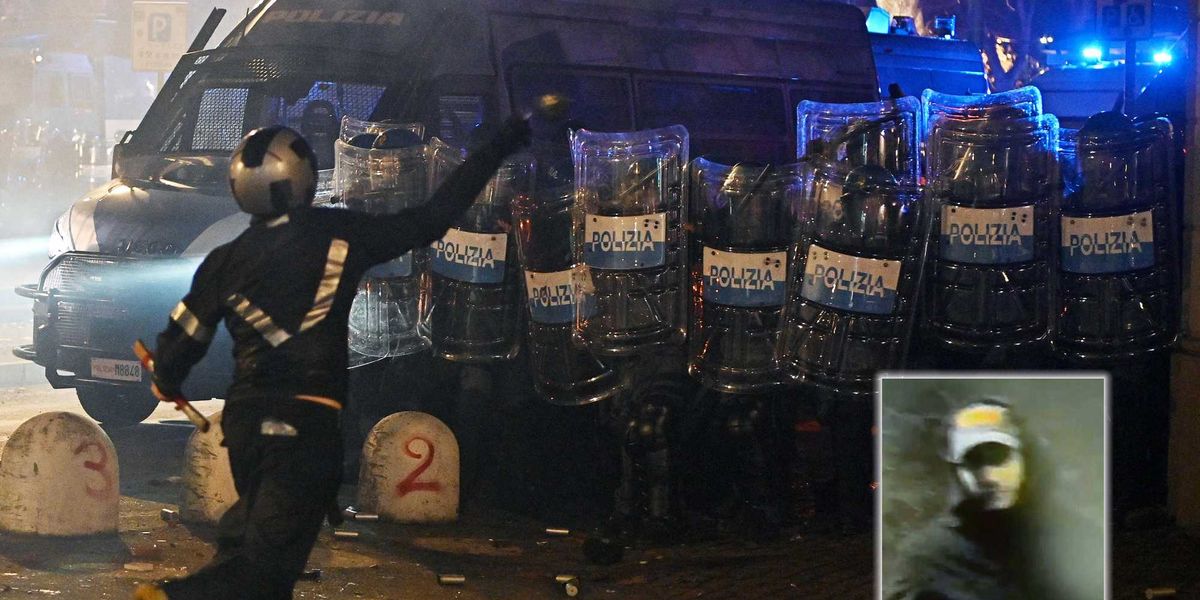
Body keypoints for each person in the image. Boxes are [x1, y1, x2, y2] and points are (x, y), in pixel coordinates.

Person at [133, 116, 531, 600]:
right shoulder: (338, 234)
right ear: (303, 177)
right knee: (264, 570)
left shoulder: (225, 259)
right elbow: (430, 220)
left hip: (246, 422)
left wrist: (166, 376)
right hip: (306, 421)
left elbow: (178, 347)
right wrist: (497, 146)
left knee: (250, 551)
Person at [884, 398, 1054, 600]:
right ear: (956, 472)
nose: (988, 477)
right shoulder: (929, 557)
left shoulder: (1052, 545)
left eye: (999, 457)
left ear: (1024, 459)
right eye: (973, 462)